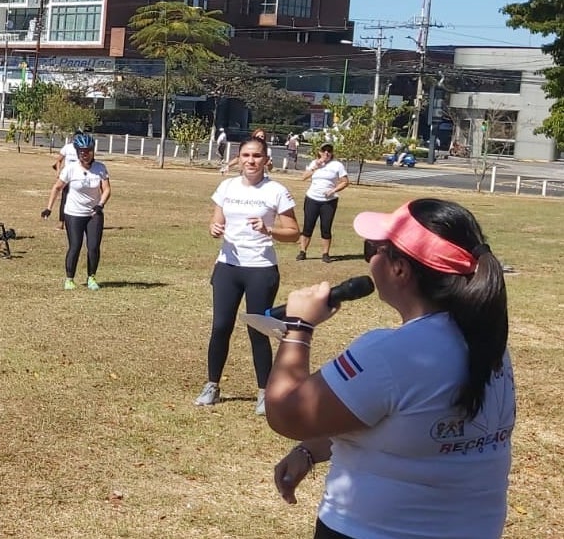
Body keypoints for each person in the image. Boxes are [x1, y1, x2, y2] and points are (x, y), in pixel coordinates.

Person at [265, 198, 513, 539]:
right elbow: (408, 427)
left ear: (400, 269)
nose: (369, 259)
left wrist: (298, 327)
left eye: (373, 250)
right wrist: (309, 451)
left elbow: (286, 413)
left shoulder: (391, 353)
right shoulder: (488, 343)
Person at [198, 137, 299, 415]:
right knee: (221, 327)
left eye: (256, 156)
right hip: (227, 267)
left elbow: (294, 233)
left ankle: (265, 393)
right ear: (239, 158)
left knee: (258, 329)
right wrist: (214, 228)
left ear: (266, 159)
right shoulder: (227, 187)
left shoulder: (276, 191)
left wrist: (269, 230)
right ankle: (212, 386)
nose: (250, 160)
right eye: (245, 155)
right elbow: (216, 220)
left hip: (261, 269)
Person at [41, 133, 110, 290]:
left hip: (94, 213)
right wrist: (49, 208)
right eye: (82, 151)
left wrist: (100, 204)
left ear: (93, 151)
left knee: (93, 246)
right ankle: (69, 279)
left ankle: (91, 277)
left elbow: (106, 189)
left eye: (88, 151)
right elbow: (57, 187)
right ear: (78, 152)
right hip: (74, 213)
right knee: (75, 245)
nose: (85, 154)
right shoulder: (70, 169)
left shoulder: (100, 168)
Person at [297, 144, 350, 264]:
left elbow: (345, 182)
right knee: (307, 227)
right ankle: (302, 251)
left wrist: (333, 190)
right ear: (319, 152)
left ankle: (325, 254)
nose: (326, 153)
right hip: (312, 199)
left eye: (329, 151)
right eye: (324, 150)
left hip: (329, 202)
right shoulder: (314, 163)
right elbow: (303, 177)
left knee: (326, 228)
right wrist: (315, 166)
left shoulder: (337, 165)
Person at [51, 131, 82, 230]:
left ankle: (79, 222)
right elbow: (59, 160)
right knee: (64, 200)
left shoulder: (82, 149)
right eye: (76, 138)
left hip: (79, 178)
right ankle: (61, 223)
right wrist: (58, 171)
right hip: (67, 178)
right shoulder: (67, 147)